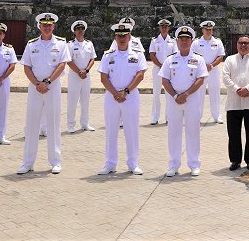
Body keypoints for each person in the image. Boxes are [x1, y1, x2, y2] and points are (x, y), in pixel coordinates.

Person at [17, 13, 71, 174]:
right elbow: (26, 66)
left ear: (54, 26)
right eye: (44, 25)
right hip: (35, 88)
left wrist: (47, 82)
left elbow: (62, 65)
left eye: (50, 25)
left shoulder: (61, 43)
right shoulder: (32, 44)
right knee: (32, 124)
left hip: (52, 87)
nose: (47, 28)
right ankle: (27, 163)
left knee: (53, 124)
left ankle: (55, 161)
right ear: (39, 26)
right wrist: (36, 83)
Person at [97, 22, 147, 175]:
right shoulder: (108, 55)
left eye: (125, 35)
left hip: (130, 97)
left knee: (131, 130)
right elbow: (103, 77)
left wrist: (125, 92)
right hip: (112, 97)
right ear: (115, 37)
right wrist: (115, 93)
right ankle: (110, 163)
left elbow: (140, 75)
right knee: (111, 130)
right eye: (119, 36)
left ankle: (133, 163)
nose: (122, 38)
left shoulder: (137, 54)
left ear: (129, 36)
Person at [159, 26, 208, 177]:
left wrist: (186, 94)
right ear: (177, 41)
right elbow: (165, 80)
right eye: (181, 39)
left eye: (187, 39)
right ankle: (174, 164)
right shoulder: (170, 59)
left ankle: (194, 164)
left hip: (192, 100)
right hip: (174, 101)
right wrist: (175, 96)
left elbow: (200, 80)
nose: (184, 41)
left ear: (192, 41)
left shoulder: (198, 59)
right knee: (174, 132)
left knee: (193, 131)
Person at [222, 35, 249, 171]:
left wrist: (247, 89)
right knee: (233, 133)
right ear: (237, 45)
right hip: (233, 102)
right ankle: (235, 160)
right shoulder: (229, 60)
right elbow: (225, 77)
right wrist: (236, 89)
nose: (243, 46)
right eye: (241, 43)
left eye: (246, 43)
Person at [66, 20, 97, 133]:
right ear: (74, 32)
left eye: (82, 29)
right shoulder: (70, 45)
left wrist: (86, 71)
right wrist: (79, 72)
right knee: (72, 101)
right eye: (78, 30)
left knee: (85, 101)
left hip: (86, 76)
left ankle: (85, 123)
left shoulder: (89, 44)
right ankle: (70, 125)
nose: (80, 31)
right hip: (75, 76)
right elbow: (68, 61)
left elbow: (93, 58)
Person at [191, 21, 225, 124]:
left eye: (210, 29)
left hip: (213, 71)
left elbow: (220, 56)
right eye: (206, 29)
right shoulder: (196, 42)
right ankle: (197, 116)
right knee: (199, 94)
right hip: (200, 72)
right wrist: (201, 66)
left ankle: (217, 116)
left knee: (215, 94)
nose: (208, 31)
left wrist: (212, 65)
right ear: (202, 30)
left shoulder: (217, 42)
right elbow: (191, 56)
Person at [149, 18, 178, 125]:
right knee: (156, 94)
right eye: (162, 26)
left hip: (169, 70)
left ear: (169, 28)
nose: (164, 28)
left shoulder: (173, 41)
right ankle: (154, 117)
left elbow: (175, 55)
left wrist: (166, 66)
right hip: (157, 69)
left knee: (169, 94)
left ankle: (168, 117)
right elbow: (152, 55)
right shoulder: (154, 41)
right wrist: (161, 65)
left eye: (166, 26)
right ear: (159, 28)